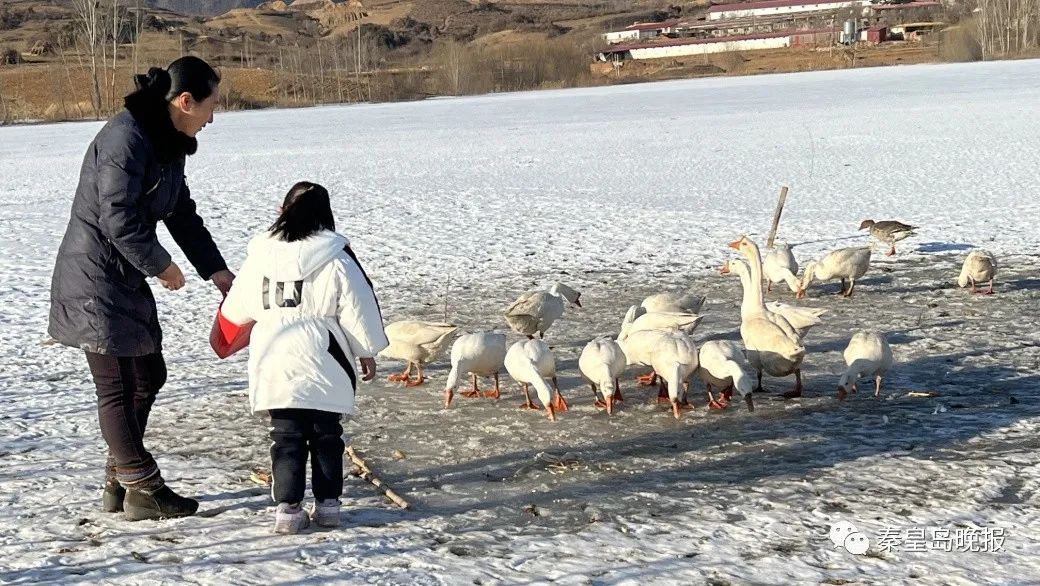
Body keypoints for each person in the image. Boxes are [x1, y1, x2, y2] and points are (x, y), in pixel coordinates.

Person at [48, 56, 234, 521]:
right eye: (211, 107)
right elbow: (117, 217)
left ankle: (121, 479)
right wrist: (161, 265)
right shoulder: (125, 139)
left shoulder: (165, 142)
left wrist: (217, 271)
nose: (213, 118)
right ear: (185, 102)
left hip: (122, 276)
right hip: (94, 278)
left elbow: (181, 213)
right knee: (116, 385)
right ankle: (143, 486)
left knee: (149, 376)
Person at [218, 181, 388, 534]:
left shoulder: (259, 257)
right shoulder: (337, 257)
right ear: (326, 215)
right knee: (327, 433)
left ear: (282, 212)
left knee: (286, 435)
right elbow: (358, 306)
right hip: (326, 352)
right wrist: (366, 351)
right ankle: (328, 507)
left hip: (274, 353)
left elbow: (236, 310)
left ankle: (288, 509)